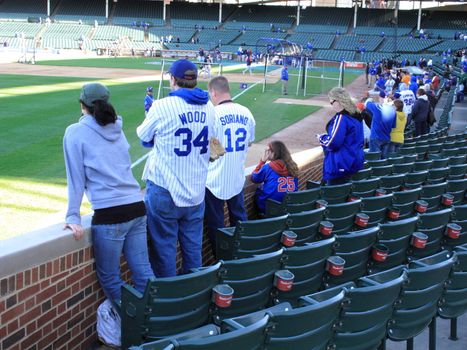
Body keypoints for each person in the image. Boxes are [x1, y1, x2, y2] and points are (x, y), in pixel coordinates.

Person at [63, 83, 154, 303]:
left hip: (110, 214)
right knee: (145, 275)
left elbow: (76, 178)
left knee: (110, 278)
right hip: (136, 207)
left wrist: (73, 215)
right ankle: (156, 323)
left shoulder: (75, 132)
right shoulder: (117, 127)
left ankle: (138, 325)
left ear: (82, 105)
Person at [136, 59, 216, 277]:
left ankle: (168, 301)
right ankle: (192, 296)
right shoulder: (209, 107)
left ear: (173, 79)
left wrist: (150, 114)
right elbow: (214, 146)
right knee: (193, 251)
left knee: (164, 251)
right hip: (196, 192)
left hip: (165, 190)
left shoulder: (161, 106)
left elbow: (144, 138)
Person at [205, 76, 256, 255]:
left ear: (213, 92)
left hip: (213, 180)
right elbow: (249, 143)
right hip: (236, 177)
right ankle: (242, 255)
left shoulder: (212, 114)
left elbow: (208, 150)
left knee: (216, 225)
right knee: (240, 220)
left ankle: (222, 260)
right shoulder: (246, 112)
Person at [319, 87, 364, 185]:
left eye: (332, 102)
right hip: (354, 163)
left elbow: (333, 143)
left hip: (341, 164)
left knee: (335, 196)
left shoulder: (342, 117)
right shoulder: (356, 115)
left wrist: (322, 138)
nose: (331, 105)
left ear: (338, 101)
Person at [251, 141, 299, 214]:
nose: (267, 153)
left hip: (269, 209)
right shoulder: (293, 166)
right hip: (290, 208)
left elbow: (254, 178)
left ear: (274, 153)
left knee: (259, 190)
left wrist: (262, 162)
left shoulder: (268, 167)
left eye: (268, 151)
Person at [365, 91, 396, 159]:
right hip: (387, 138)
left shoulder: (377, 107)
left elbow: (367, 103)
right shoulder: (393, 111)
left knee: (374, 159)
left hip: (376, 138)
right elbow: (393, 126)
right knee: (383, 161)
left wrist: (371, 98)